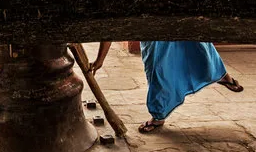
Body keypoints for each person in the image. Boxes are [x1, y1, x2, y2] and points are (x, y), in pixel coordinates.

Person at [90, 41, 243, 134]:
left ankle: (221, 75)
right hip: (150, 29)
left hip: (173, 10)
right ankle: (159, 115)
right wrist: (100, 60)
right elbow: (113, 27)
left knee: (199, 46)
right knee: (158, 70)